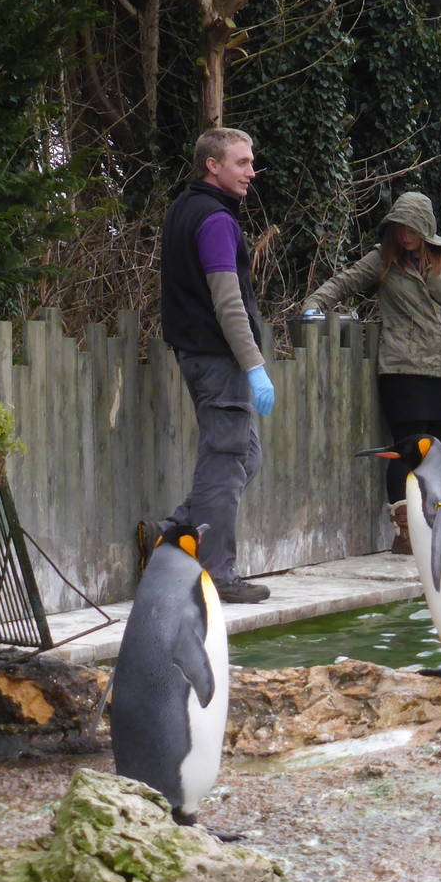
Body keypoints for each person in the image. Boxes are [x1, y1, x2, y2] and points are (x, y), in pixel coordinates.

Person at [301, 191, 441, 554]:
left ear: (426, 227)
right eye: (398, 229)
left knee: (437, 455)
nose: (404, 236)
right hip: (402, 367)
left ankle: (431, 529)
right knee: (405, 451)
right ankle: (405, 534)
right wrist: (314, 304)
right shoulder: (382, 258)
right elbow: (344, 281)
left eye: (411, 228)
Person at [151, 127, 275, 603]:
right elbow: (228, 304)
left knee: (246, 456)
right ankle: (215, 575)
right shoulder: (216, 220)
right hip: (216, 356)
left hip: (198, 352)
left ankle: (173, 536)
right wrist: (254, 365)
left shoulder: (183, 209)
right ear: (213, 165)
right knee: (224, 463)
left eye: (250, 162)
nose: (251, 171)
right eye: (242, 163)